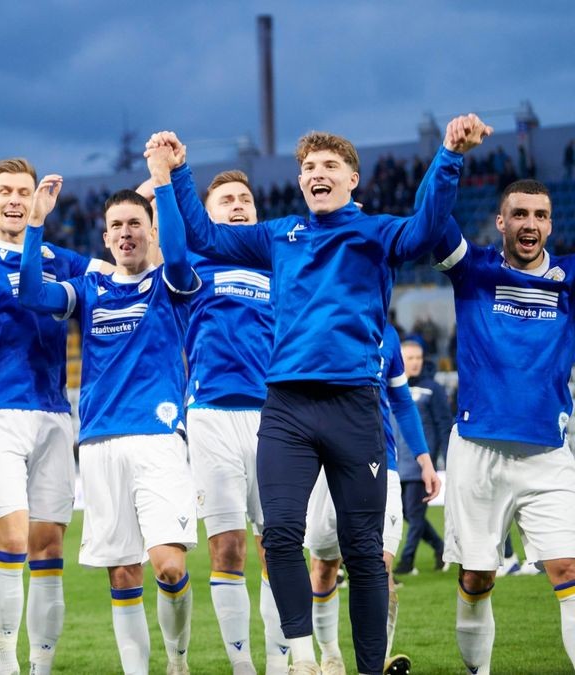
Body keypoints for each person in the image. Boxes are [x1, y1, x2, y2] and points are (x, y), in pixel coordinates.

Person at [156, 114, 489, 675]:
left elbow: (427, 225)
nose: (317, 173)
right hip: (285, 407)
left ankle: (366, 668)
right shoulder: (280, 235)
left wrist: (449, 157)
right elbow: (205, 236)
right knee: (281, 535)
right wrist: (181, 170)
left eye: (330, 166)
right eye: (308, 167)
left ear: (352, 179)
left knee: (363, 552)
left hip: (354, 407)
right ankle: (303, 657)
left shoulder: (377, 232)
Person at [18, 144, 199, 675]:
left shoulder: (170, 283)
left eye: (135, 224)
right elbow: (32, 292)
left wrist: (161, 182)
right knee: (122, 574)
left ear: (151, 230)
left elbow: (180, 254)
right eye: (116, 225)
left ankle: (178, 660)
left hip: (159, 438)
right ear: (105, 237)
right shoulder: (90, 287)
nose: (125, 232)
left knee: (167, 567)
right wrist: (35, 224)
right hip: (98, 443)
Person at [0, 157, 108, 675]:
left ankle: (40, 666)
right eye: (5, 192)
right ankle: (5, 665)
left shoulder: (64, 260)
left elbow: (124, 273)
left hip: (56, 412)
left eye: (24, 191)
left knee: (48, 546)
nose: (16, 199)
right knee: (13, 539)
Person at [428, 177, 575, 672]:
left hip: (548, 455)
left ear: (551, 224)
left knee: (569, 569)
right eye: (519, 214)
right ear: (501, 222)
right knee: (477, 579)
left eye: (539, 215)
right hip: (478, 450)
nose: (529, 223)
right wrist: (450, 160)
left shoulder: (569, 280)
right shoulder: (474, 270)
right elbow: (433, 220)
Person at [174, 170, 286, 675]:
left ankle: (286, 662)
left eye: (245, 198)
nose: (238, 205)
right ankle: (243, 667)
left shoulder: (281, 267)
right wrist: (173, 176)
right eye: (226, 200)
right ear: (208, 214)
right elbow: (174, 234)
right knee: (228, 546)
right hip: (212, 415)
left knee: (279, 546)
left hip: (275, 416)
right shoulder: (194, 264)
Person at [304, 324, 440, 675]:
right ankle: (330, 656)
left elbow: (402, 401)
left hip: (382, 462)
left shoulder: (390, 335)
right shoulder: (322, 317)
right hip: (325, 462)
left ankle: (377, 658)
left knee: (380, 565)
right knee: (323, 568)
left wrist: (424, 459)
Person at [394, 339, 447, 575]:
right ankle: (440, 548)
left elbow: (443, 425)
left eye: (418, 358)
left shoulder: (432, 389)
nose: (415, 363)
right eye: (410, 358)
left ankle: (406, 562)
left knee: (415, 515)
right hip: (396, 462)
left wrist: (443, 458)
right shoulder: (391, 386)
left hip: (420, 464)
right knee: (407, 513)